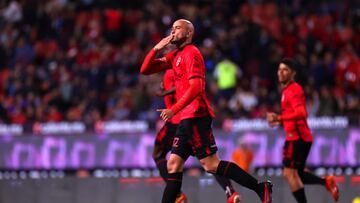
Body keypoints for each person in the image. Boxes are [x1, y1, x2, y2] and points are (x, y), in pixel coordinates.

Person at [140, 19, 272, 203]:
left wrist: (173, 109)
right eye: (172, 29)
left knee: (211, 164)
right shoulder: (174, 56)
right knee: (173, 164)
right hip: (185, 118)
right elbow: (145, 69)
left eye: (178, 28)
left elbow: (196, 87)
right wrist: (156, 48)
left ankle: (260, 187)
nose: (173, 31)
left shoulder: (192, 53)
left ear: (188, 33)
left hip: (196, 115)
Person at [153, 69, 241, 203]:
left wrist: (165, 90)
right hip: (192, 121)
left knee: (158, 154)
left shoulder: (173, 69)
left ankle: (177, 195)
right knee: (209, 162)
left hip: (177, 121)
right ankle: (230, 191)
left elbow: (183, 88)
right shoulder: (184, 67)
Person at [266, 58, 340, 203]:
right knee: (296, 173)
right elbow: (293, 114)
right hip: (297, 136)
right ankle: (326, 182)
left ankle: (324, 183)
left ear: (292, 73)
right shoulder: (287, 90)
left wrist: (279, 118)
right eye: (279, 69)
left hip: (297, 137)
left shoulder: (293, 89)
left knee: (290, 173)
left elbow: (301, 113)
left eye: (285, 69)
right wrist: (280, 121)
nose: (281, 72)